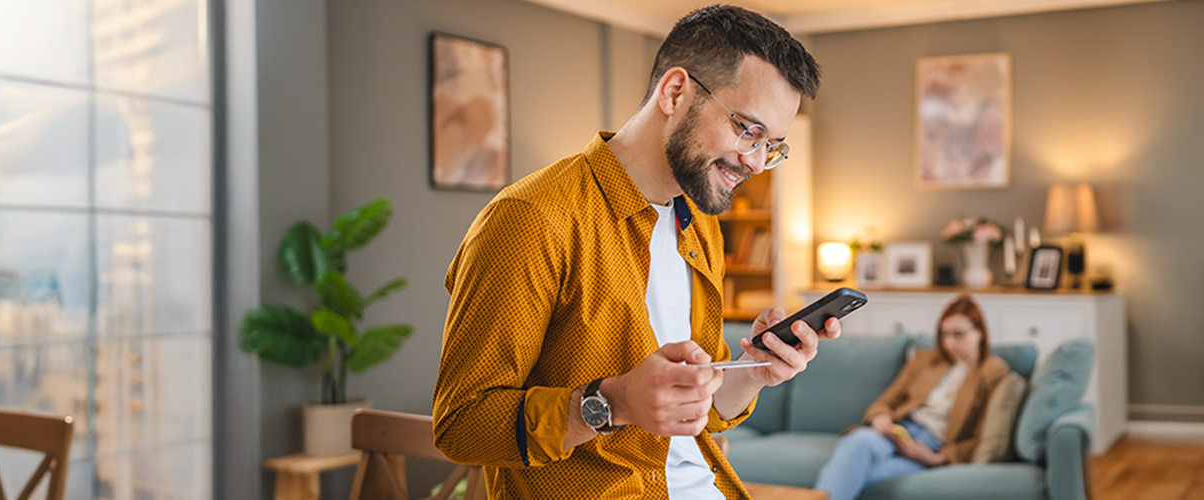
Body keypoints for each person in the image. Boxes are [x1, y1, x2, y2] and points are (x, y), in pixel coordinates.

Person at [432, 5, 831, 499]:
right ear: (675, 91)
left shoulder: (701, 225)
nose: (755, 163)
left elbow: (696, 410)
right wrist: (610, 404)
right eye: (748, 130)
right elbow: (460, 426)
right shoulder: (532, 218)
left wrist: (752, 374)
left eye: (772, 145)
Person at [812, 294, 1013, 500]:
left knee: (860, 474)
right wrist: (881, 417)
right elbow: (887, 401)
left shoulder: (992, 371)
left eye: (958, 334)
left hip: (928, 447)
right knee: (859, 441)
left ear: (979, 332)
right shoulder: (925, 360)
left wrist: (936, 458)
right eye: (944, 335)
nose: (948, 343)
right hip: (897, 432)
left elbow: (980, 436)